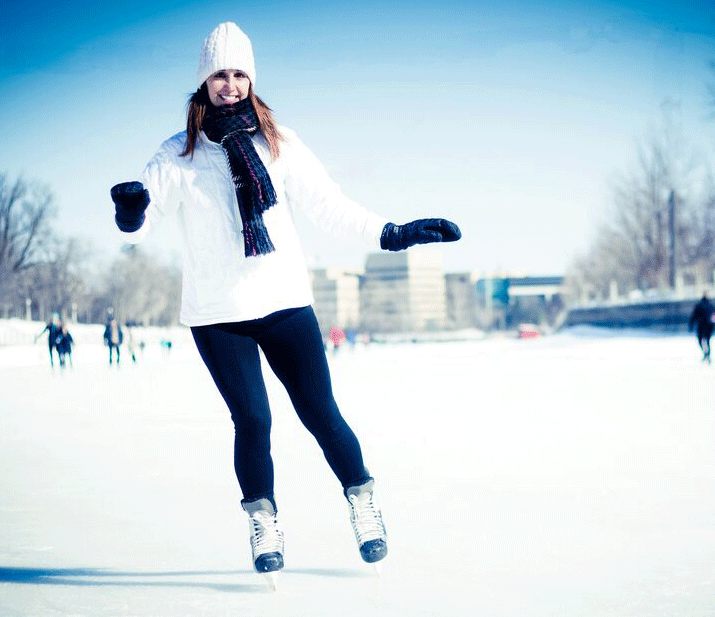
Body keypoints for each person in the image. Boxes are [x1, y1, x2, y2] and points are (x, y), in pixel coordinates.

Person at [109, 21, 461, 580]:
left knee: (320, 413)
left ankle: (363, 502)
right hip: (218, 316)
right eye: (219, 74)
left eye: (239, 73)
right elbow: (144, 215)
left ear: (251, 79)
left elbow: (331, 207)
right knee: (252, 420)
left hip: (284, 303)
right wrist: (131, 210)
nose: (229, 84)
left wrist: (393, 233)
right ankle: (264, 521)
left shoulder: (278, 143)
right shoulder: (180, 152)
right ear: (204, 82)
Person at [688, 292, 715, 364]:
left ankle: (706, 353)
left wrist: (691, 326)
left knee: (700, 340)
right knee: (707, 340)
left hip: (701, 326)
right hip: (710, 326)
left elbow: (693, 317)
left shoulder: (699, 305)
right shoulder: (711, 306)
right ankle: (707, 354)